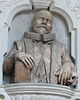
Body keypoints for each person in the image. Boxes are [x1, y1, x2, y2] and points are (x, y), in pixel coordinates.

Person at [3, 10, 78, 87]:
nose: (44, 22)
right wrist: (17, 55)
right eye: (41, 19)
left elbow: (70, 65)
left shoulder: (59, 47)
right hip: (25, 92)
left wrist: (68, 64)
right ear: (32, 23)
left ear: (51, 27)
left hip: (53, 91)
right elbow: (6, 70)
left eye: (48, 21)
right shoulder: (20, 44)